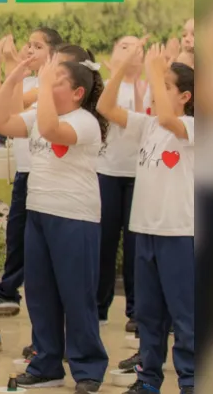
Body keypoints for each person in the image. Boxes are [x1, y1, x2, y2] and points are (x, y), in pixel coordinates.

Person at [0, 52, 109, 393]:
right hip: (39, 214)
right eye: (47, 81)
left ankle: (88, 368)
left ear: (77, 94)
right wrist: (15, 77)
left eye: (57, 82)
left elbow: (50, 130)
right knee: (40, 295)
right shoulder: (41, 114)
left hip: (75, 219)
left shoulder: (83, 121)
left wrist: (40, 86)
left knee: (76, 295)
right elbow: (0, 120)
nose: (47, 86)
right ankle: (46, 364)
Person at [98, 45, 195, 394]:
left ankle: (190, 381)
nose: (156, 90)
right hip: (144, 232)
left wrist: (155, 68)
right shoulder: (147, 125)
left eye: (166, 86)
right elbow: (105, 108)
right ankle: (147, 380)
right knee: (149, 316)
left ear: (184, 96)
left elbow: (170, 119)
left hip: (179, 234)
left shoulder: (190, 126)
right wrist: (122, 68)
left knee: (186, 317)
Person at [0, 27, 64, 316]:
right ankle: (9, 290)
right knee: (18, 234)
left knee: (37, 238)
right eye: (28, 45)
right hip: (25, 170)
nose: (29, 50)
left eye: (37, 46)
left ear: (53, 54)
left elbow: (17, 107)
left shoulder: (53, 81)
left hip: (42, 172)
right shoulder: (28, 79)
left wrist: (12, 65)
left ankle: (16, 290)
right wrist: (0, 64)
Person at [91, 38, 145, 331]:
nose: (132, 51)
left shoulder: (152, 89)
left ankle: (137, 311)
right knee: (104, 242)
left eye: (137, 47)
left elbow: (139, 123)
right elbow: (105, 114)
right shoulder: (106, 88)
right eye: (124, 46)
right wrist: (119, 72)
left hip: (140, 175)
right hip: (108, 171)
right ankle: (99, 307)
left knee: (136, 246)